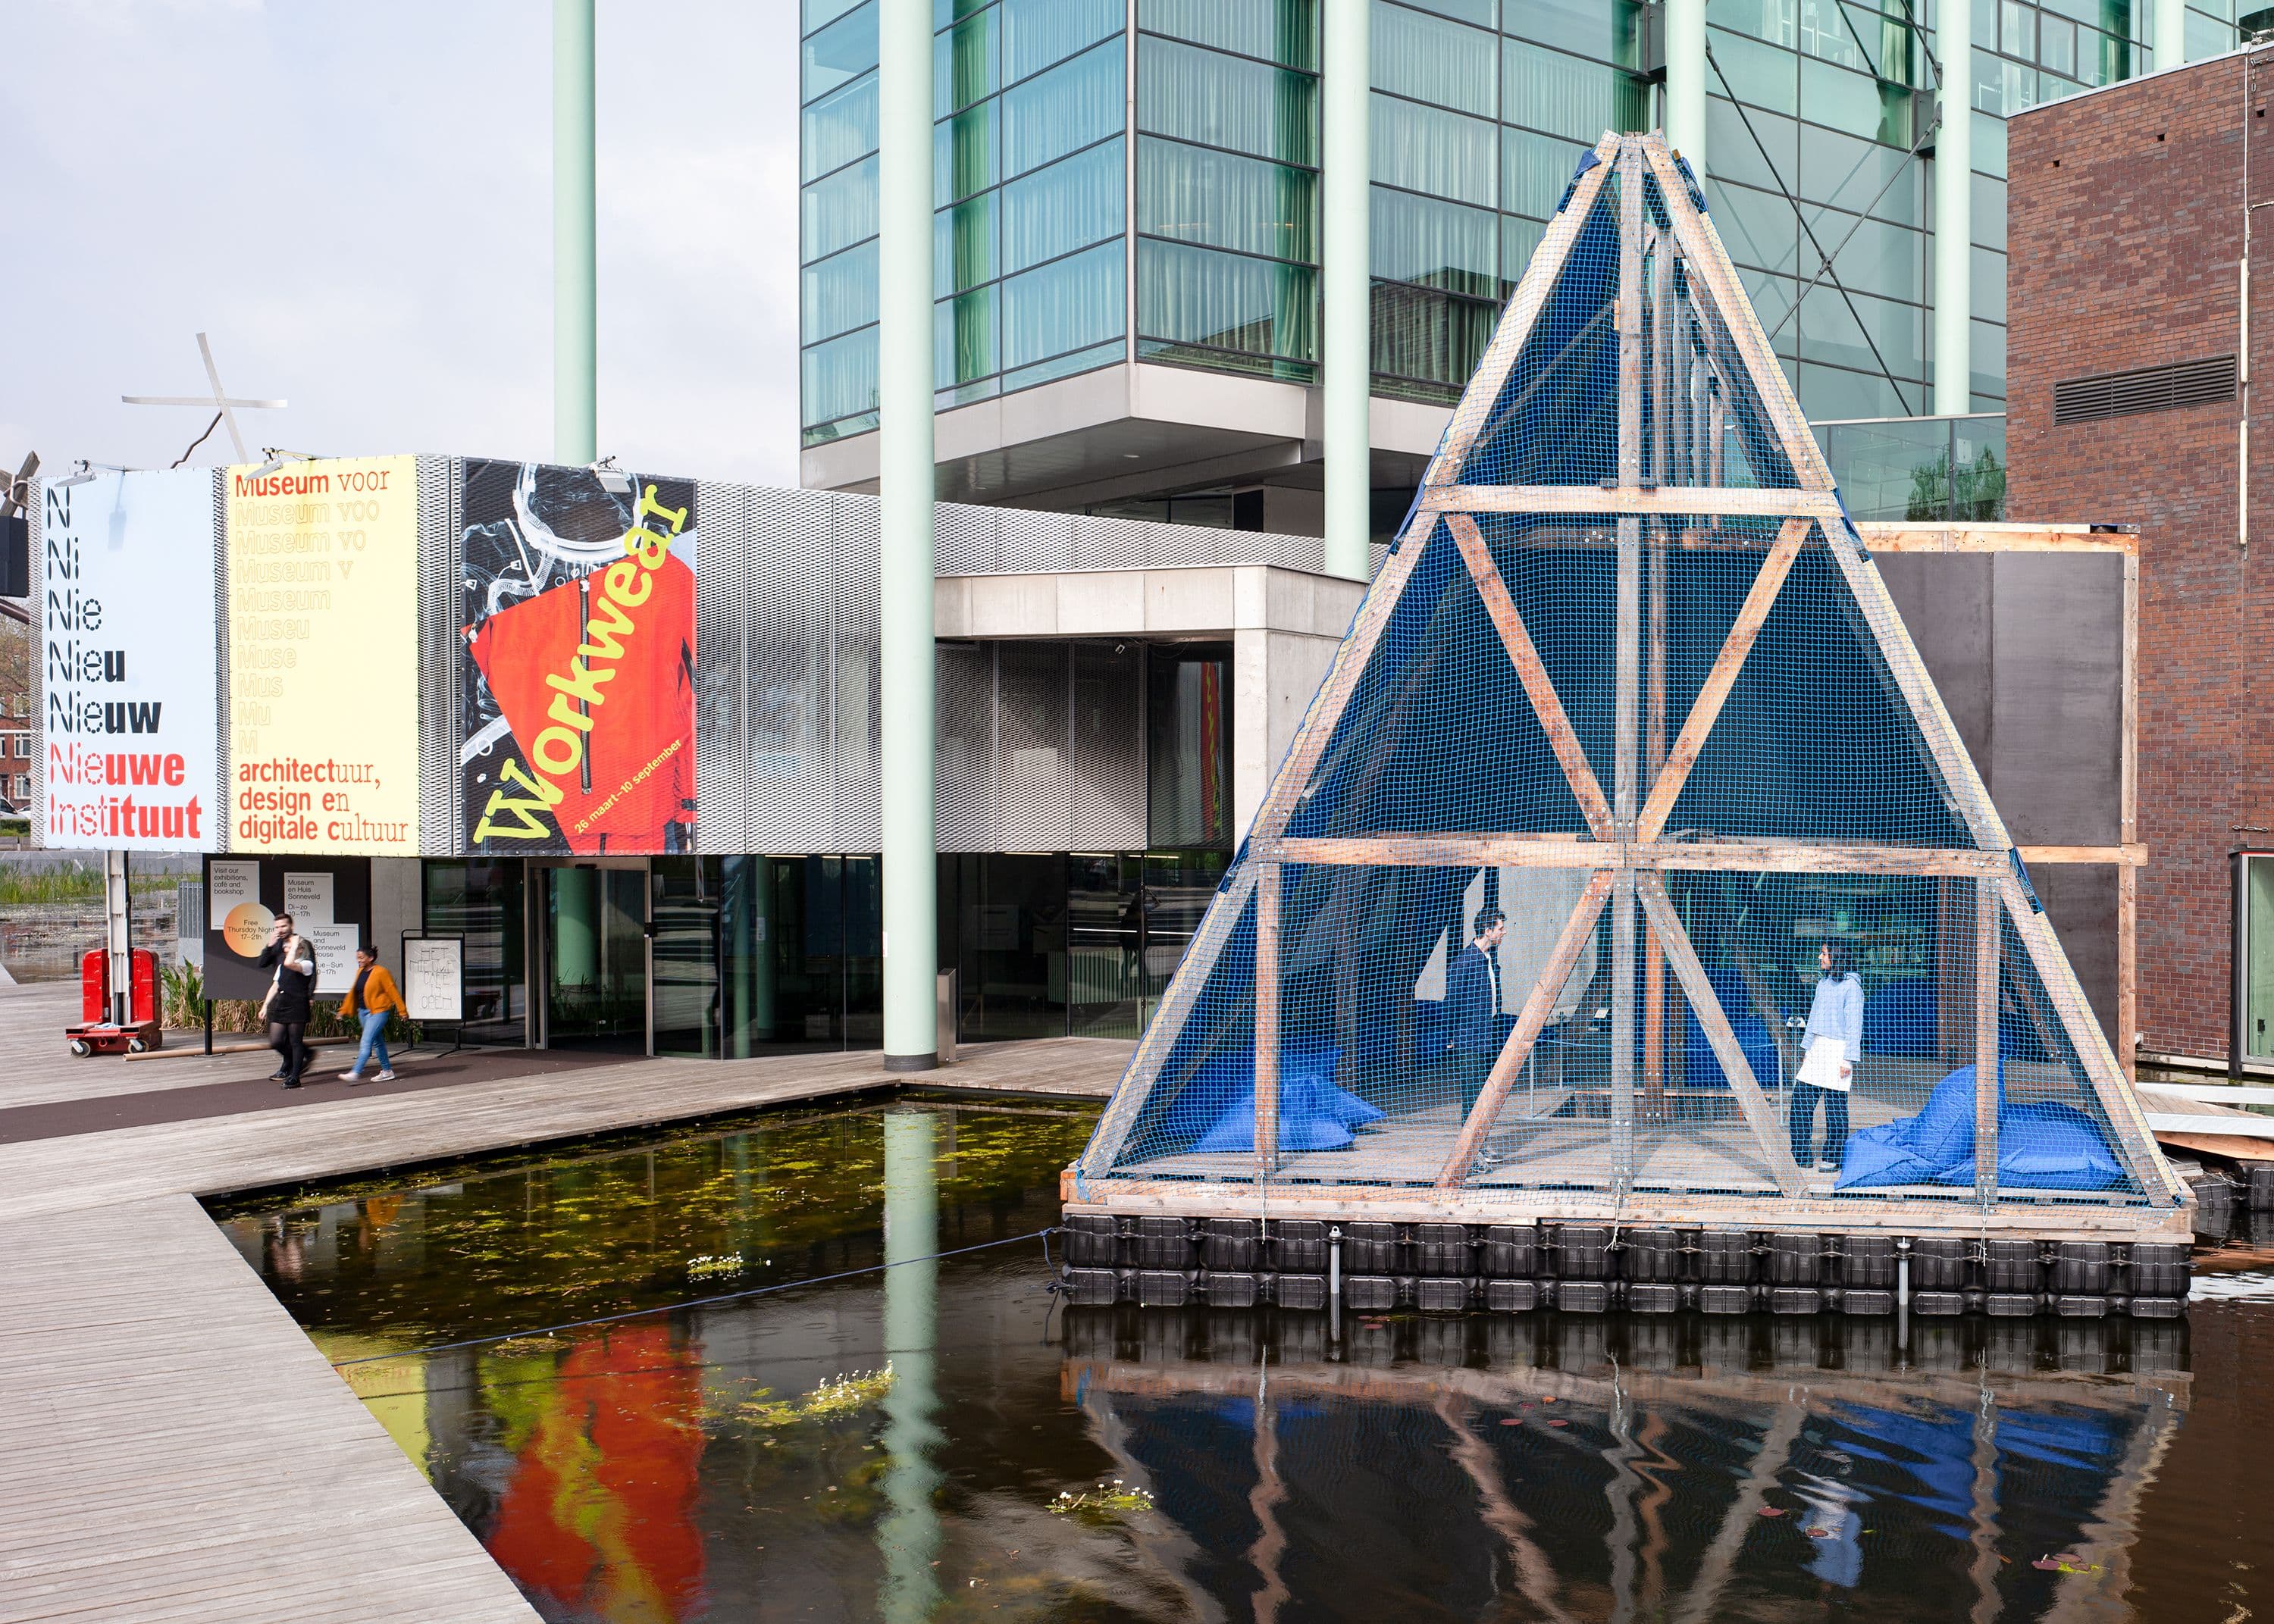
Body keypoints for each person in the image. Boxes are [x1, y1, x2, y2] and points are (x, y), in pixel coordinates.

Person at [1792, 942, 1865, 1172]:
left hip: (1838, 1051)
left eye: (1824, 954)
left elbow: (1855, 1026)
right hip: (1817, 1049)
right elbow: (1813, 1018)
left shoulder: (1852, 987)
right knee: (1800, 1105)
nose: (1820, 957)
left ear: (1836, 956)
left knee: (1835, 1109)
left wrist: (1848, 1060)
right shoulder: (1822, 984)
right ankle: (1801, 1155)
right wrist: (1807, 1050)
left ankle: (1832, 1157)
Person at [1446, 907, 1507, 1121]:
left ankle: (1480, 1141)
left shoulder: (1488, 958)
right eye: (1500, 928)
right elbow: (1452, 1001)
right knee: (1472, 1094)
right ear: (1488, 931)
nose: (1504, 932)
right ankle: (1472, 1146)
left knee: (1484, 1092)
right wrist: (1451, 1036)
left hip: (1487, 1035)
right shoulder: (1465, 961)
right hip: (1470, 1038)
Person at [258, 914, 317, 1088]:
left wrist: (310, 995)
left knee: (295, 1040)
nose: (280, 930)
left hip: (298, 998)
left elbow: (310, 973)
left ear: (291, 925)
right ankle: (293, 1062)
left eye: (283, 926)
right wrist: (270, 945)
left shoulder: (303, 947)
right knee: (277, 1040)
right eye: (277, 927)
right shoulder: (277, 945)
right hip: (282, 998)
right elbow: (263, 964)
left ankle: (293, 1072)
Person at [337, 943, 402, 1084]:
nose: (359, 960)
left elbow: (393, 992)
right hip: (363, 1012)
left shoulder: (381, 972)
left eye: (361, 958)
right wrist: (343, 1011)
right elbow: (353, 993)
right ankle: (387, 1071)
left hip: (379, 1012)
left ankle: (355, 1072)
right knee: (377, 1042)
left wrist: (402, 1011)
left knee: (366, 1041)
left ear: (371, 958)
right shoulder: (359, 972)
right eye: (357, 958)